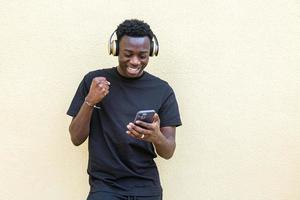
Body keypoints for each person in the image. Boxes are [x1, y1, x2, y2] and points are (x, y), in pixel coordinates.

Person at [67, 19, 182, 200]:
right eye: (128, 54)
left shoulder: (163, 90)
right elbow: (76, 138)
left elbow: (168, 151)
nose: (135, 61)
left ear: (152, 52)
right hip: (105, 186)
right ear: (115, 50)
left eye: (142, 55)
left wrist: (156, 137)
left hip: (146, 186)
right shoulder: (93, 82)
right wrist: (90, 100)